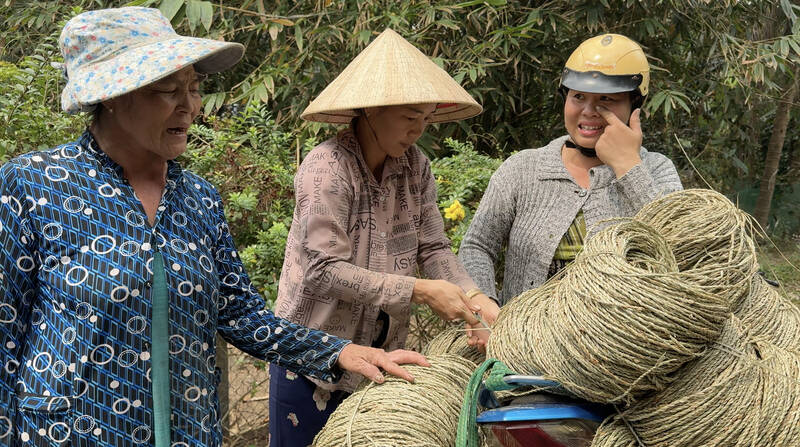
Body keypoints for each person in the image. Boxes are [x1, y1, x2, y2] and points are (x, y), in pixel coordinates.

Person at [0, 8, 426, 447]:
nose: (190, 106)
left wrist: (338, 352)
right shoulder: (34, 185)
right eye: (168, 90)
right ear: (112, 94)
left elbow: (238, 311)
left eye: (195, 88)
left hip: (189, 431)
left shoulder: (198, 198)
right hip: (70, 433)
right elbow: (5, 333)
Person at [272, 28, 484, 445]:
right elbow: (323, 271)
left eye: (425, 119)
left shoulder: (415, 167)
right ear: (370, 111)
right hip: (310, 358)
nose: (418, 131)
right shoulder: (326, 169)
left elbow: (434, 246)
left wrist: (474, 299)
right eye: (409, 118)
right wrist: (419, 290)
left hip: (380, 359)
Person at [459, 34, 684, 345]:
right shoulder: (524, 169)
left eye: (607, 99)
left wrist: (628, 167)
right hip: (522, 352)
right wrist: (485, 304)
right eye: (578, 97)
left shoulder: (656, 170)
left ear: (635, 105)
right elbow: (477, 246)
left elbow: (680, 253)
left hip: (621, 355)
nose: (590, 111)